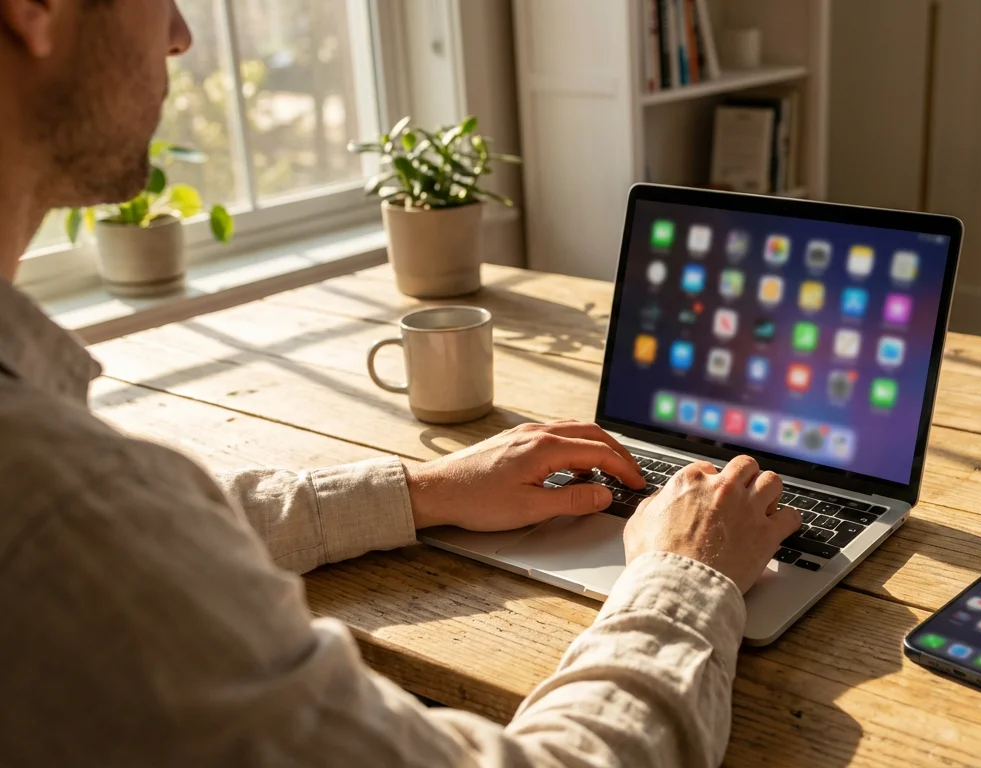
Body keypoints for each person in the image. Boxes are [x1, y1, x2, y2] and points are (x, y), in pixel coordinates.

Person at [0, 1, 802, 765]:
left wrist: (423, 490)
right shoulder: (59, 510)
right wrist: (686, 575)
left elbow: (155, 535)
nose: (179, 35)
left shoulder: (69, 497)